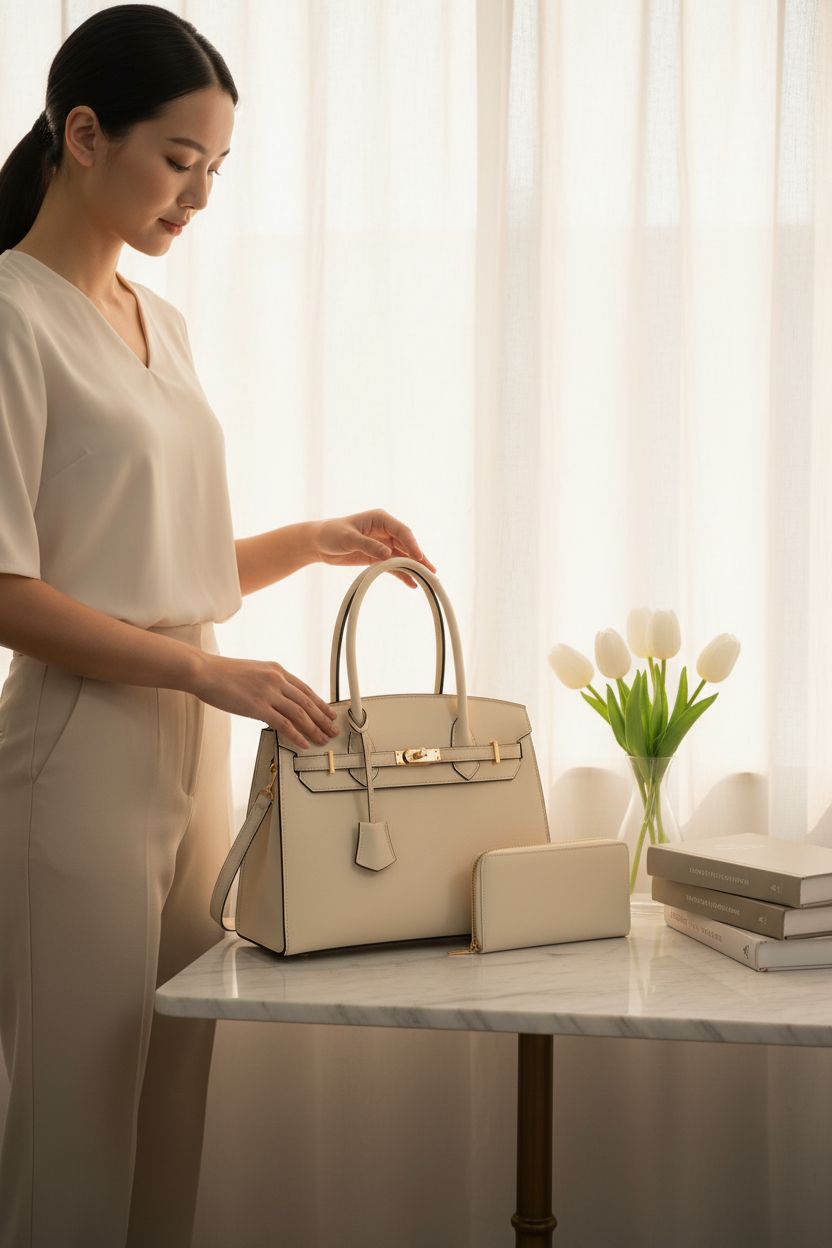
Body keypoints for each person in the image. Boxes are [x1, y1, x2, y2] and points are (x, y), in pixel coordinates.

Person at [0, 6, 436, 1245]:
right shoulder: (11, 318)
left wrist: (310, 541)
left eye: (216, 171)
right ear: (83, 135)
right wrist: (207, 671)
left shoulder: (161, 324)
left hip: (189, 773)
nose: (197, 195)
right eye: (178, 161)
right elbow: (11, 591)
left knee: (170, 1108)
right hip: (71, 763)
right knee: (72, 1139)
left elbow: (159, 567)